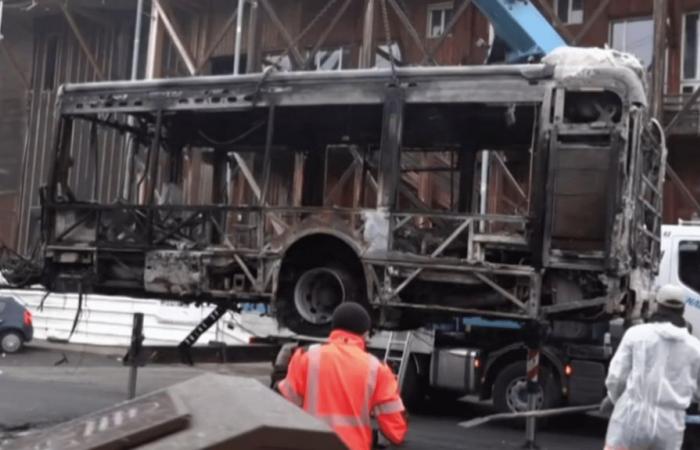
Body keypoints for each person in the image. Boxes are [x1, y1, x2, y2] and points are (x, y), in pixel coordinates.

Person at [276, 302, 408, 450]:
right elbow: (396, 432)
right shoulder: (377, 368)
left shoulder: (306, 356)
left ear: (333, 328)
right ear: (365, 333)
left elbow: (283, 408)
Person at [601, 284, 700, 450]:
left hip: (631, 420)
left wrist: (612, 398)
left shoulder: (636, 335)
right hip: (669, 428)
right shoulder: (695, 348)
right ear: (682, 310)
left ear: (657, 305)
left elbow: (617, 379)